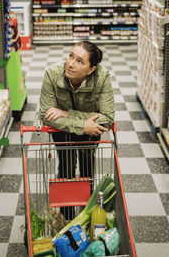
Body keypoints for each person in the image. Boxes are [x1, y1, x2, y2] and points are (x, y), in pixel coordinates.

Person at [39, 41, 115, 219]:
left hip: (90, 135)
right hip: (62, 132)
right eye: (70, 56)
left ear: (91, 69)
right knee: (66, 167)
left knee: (87, 169)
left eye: (80, 61)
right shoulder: (52, 74)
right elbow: (45, 114)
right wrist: (83, 124)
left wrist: (66, 114)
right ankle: (66, 218)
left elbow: (107, 119)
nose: (71, 63)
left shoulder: (102, 77)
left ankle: (86, 215)